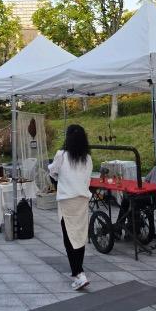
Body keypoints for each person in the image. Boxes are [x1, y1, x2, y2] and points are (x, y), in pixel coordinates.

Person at [48, 124, 94, 291]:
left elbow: (52, 172)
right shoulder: (87, 158)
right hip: (82, 200)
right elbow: (87, 179)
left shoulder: (61, 155)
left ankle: (79, 273)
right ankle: (78, 270)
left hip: (67, 201)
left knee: (69, 238)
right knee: (79, 236)